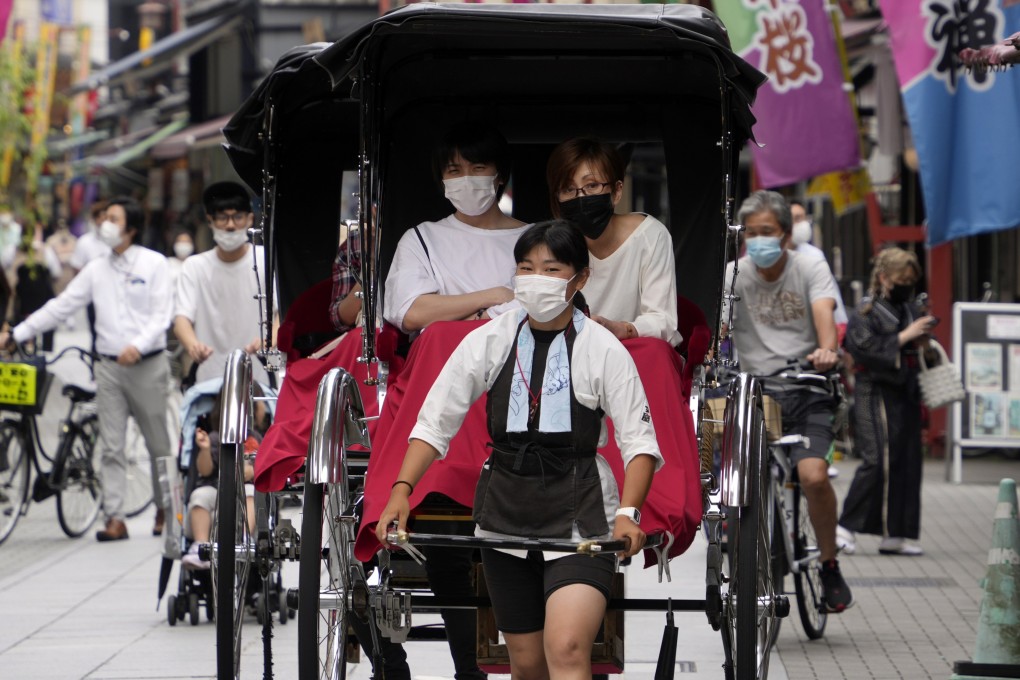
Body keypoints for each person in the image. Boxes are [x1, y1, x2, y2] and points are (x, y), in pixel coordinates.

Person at [377, 221, 661, 680]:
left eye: (551, 269)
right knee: (526, 664)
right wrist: (401, 490)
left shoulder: (602, 348)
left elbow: (640, 444)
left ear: (579, 279)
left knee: (566, 649)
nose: (535, 278)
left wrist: (628, 512)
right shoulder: (491, 337)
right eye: (526, 268)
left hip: (581, 515)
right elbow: (435, 421)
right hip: (504, 511)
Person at [0, 196, 173, 541]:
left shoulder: (154, 264)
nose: (104, 223)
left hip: (148, 366)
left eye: (113, 218)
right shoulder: (96, 269)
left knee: (158, 445)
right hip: (107, 368)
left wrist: (137, 346)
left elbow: (161, 315)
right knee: (110, 446)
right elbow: (61, 306)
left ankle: (166, 508)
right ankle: (115, 517)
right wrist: (17, 333)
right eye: (104, 217)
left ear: (132, 227)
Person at [722, 190, 854, 613]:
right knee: (741, 480)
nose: (759, 241)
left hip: (807, 386)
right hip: (757, 394)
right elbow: (718, 328)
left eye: (768, 232)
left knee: (813, 476)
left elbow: (824, 311)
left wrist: (828, 349)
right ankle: (750, 553)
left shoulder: (808, 265)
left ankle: (829, 564)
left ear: (785, 234)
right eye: (752, 233)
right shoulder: (734, 274)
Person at [383, 122, 530, 335]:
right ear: (442, 180)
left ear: (501, 175)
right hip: (443, 361)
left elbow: (540, 305)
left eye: (478, 168)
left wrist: (459, 316)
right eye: (454, 171)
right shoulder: (421, 239)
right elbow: (410, 312)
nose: (466, 179)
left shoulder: (534, 238)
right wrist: (495, 296)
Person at [837, 248, 936, 557]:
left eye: (910, 279)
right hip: (874, 390)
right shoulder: (867, 310)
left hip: (906, 389)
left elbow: (915, 349)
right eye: (901, 279)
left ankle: (897, 533)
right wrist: (905, 336)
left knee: (907, 459)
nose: (906, 284)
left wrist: (923, 341)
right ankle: (845, 526)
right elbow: (863, 348)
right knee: (876, 458)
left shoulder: (908, 308)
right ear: (883, 277)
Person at [546, 137, 679, 346]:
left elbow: (663, 321)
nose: (581, 197)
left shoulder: (650, 236)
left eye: (592, 185)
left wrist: (622, 328)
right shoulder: (552, 245)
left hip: (633, 354)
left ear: (617, 191)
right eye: (568, 189)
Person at [174, 182, 272, 387]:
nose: (230, 225)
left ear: (249, 219)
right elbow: (182, 319)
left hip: (258, 378)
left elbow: (281, 313)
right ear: (210, 220)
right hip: (208, 380)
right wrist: (193, 346)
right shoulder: (195, 266)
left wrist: (269, 341)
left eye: (237, 217)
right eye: (222, 217)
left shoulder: (266, 261)